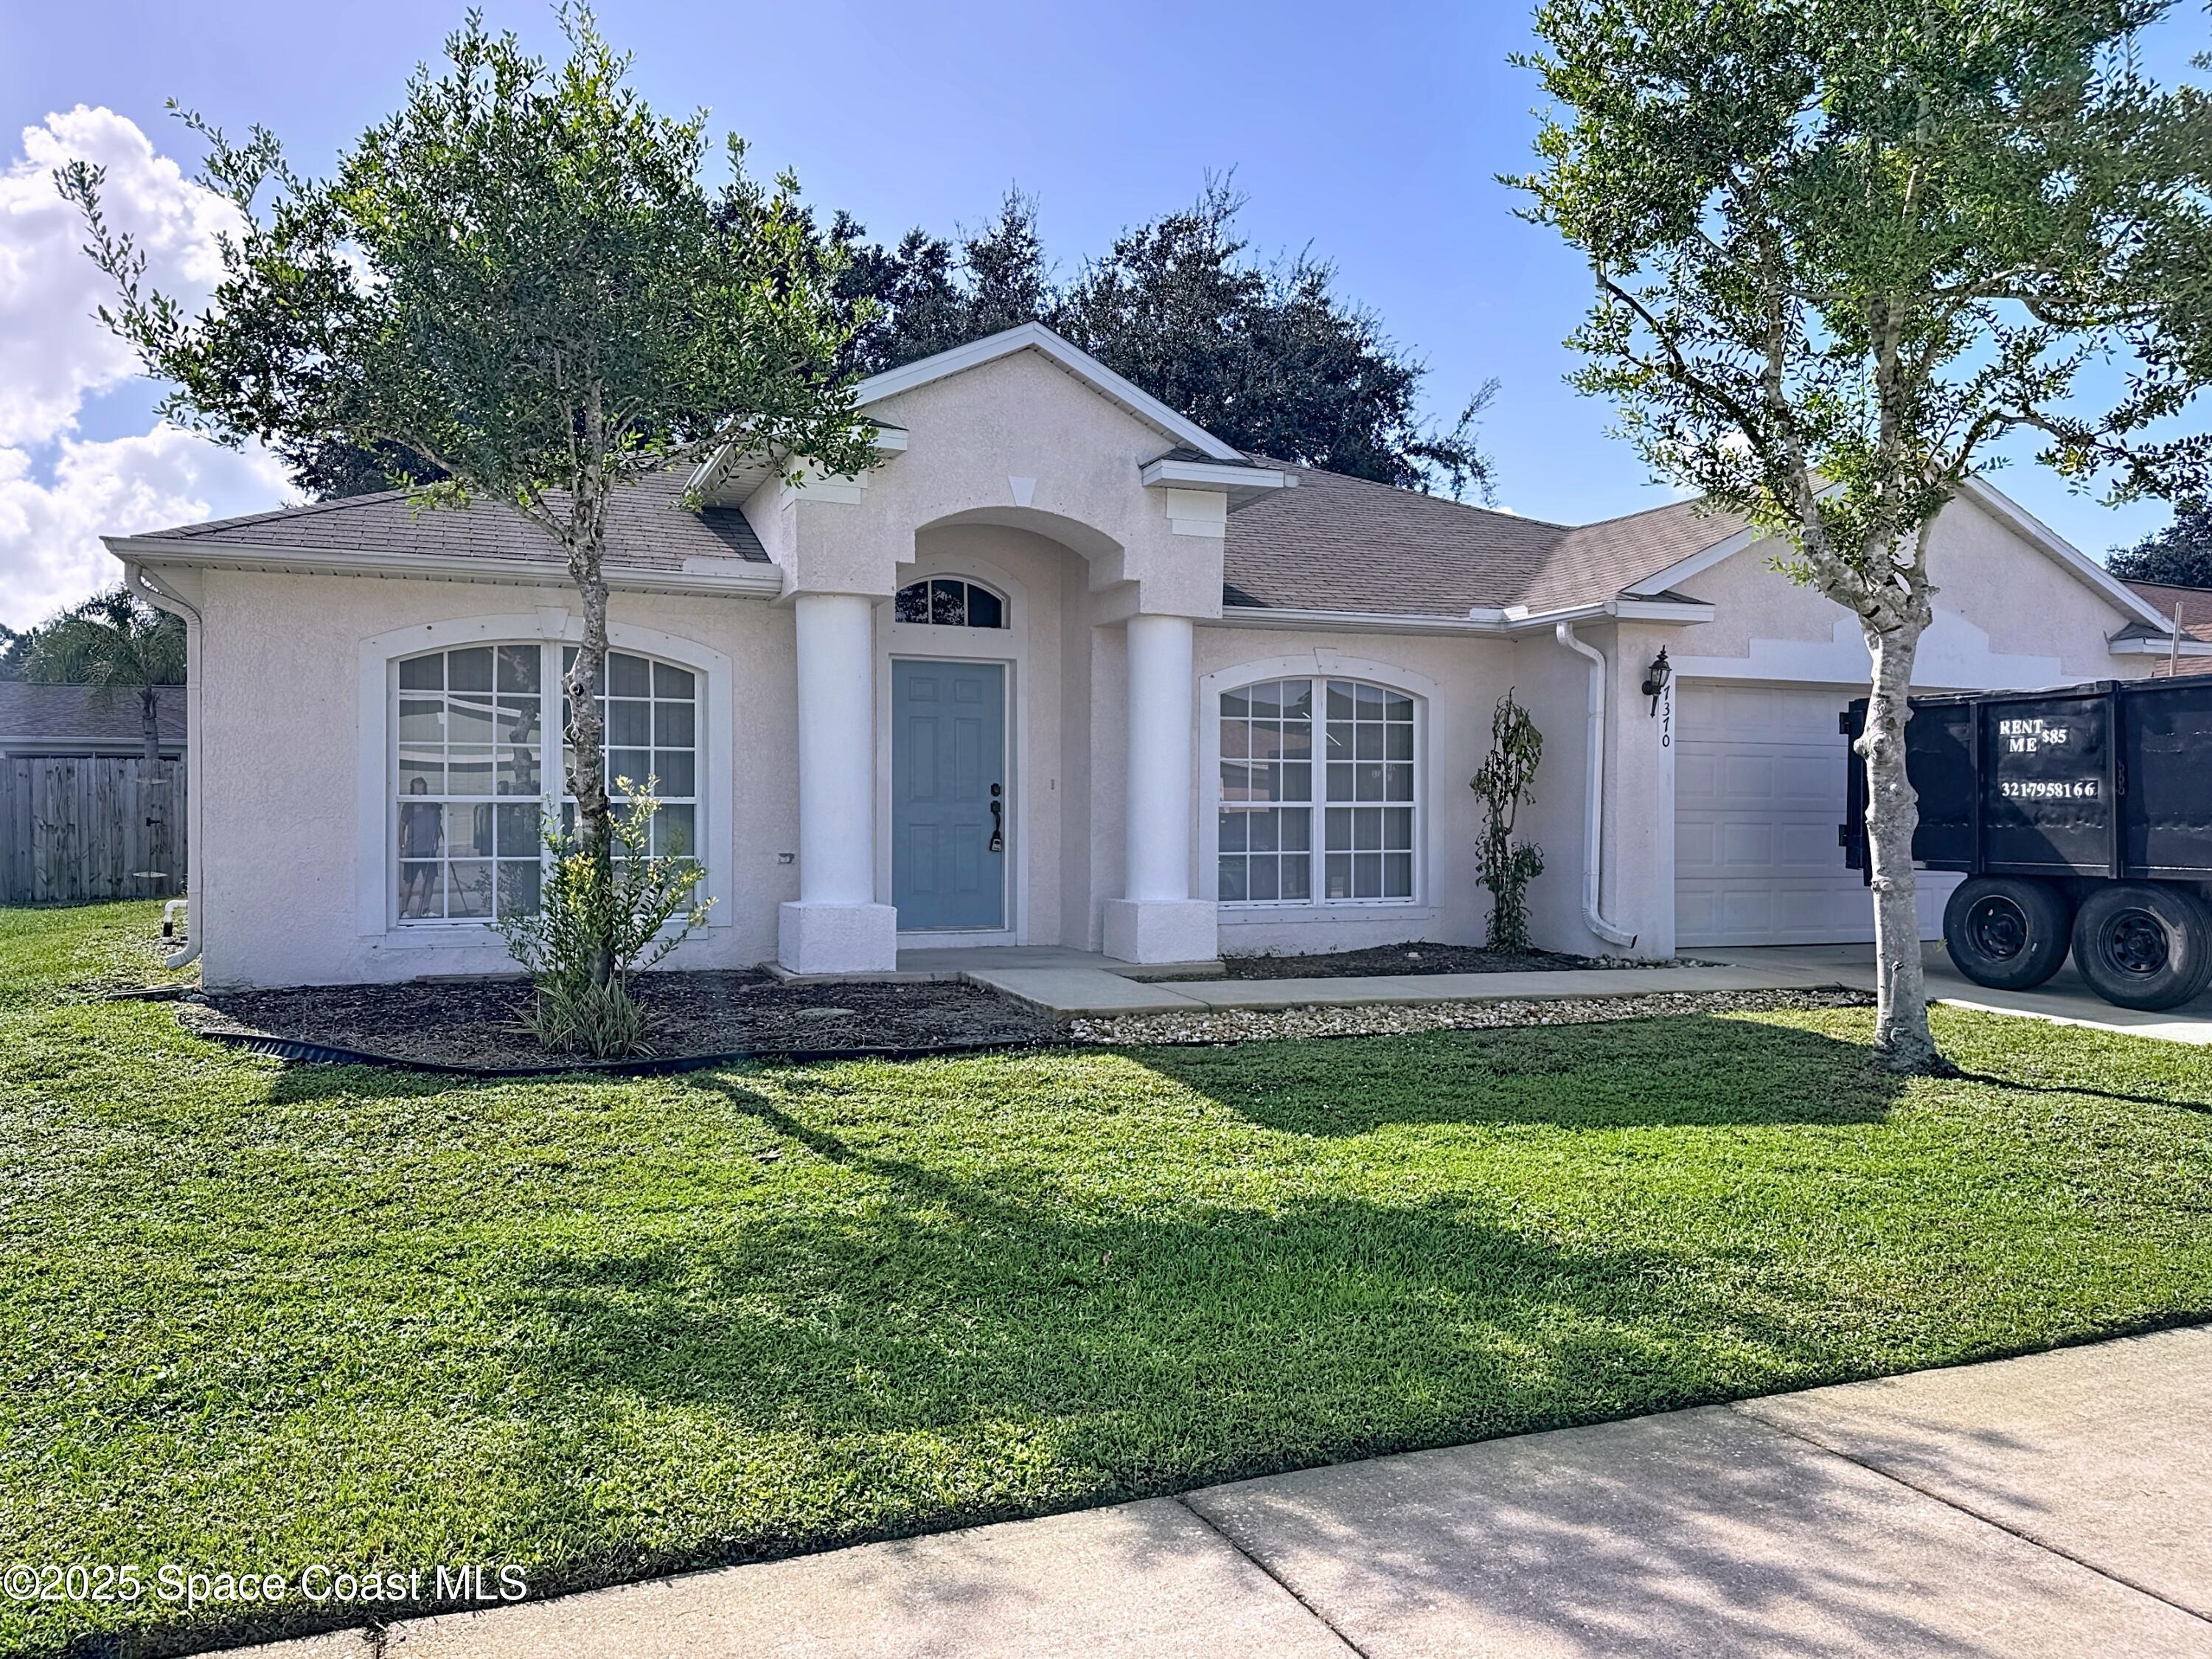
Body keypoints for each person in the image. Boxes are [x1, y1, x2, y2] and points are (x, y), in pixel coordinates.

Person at [399, 776, 442, 918]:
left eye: (422, 787)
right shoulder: (409, 805)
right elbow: (402, 826)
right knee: (409, 881)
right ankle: (404, 910)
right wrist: (403, 846)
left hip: (428, 849)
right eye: (417, 788)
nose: (419, 791)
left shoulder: (432, 804)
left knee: (430, 880)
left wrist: (436, 840)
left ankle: (425, 910)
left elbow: (438, 825)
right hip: (413, 849)